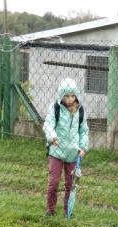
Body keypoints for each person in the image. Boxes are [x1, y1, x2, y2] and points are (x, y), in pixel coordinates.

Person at [43, 78, 89, 217]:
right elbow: (48, 124)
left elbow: (84, 130)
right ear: (61, 95)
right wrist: (52, 137)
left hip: (73, 154)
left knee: (71, 184)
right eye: (67, 96)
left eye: (72, 96)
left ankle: (67, 211)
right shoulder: (55, 108)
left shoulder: (80, 111)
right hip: (56, 151)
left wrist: (83, 147)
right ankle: (50, 210)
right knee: (54, 182)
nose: (70, 99)